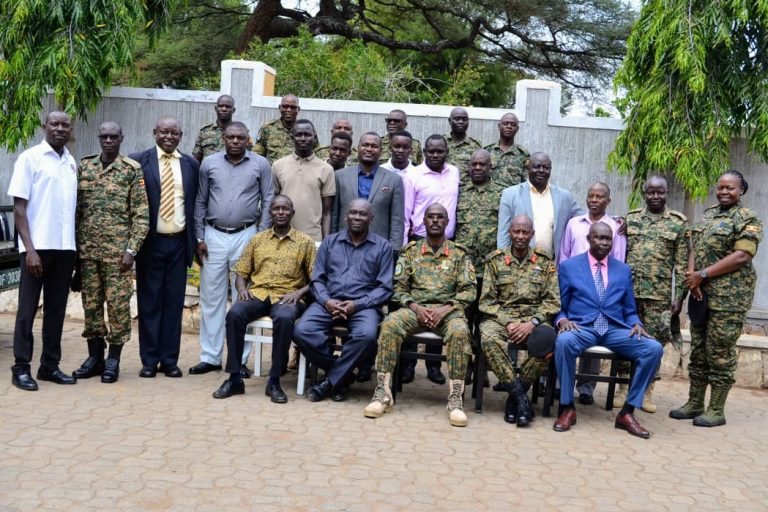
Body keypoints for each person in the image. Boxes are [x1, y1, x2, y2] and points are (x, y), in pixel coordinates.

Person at [364, 204, 475, 427]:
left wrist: (444, 309)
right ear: (423, 221)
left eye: (440, 217)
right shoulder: (410, 251)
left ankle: (455, 400)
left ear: (447, 222)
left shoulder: (459, 254)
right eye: (430, 217)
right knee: (390, 324)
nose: (435, 221)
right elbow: (398, 288)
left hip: (447, 312)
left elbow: (469, 290)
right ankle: (383, 393)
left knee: (460, 331)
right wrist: (416, 308)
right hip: (415, 310)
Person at [553, 222, 663, 438]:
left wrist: (637, 323)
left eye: (608, 239)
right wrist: (562, 319)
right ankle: (567, 407)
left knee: (653, 348)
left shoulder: (623, 269)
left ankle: (627, 412)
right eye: (599, 237)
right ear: (588, 239)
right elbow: (559, 305)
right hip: (582, 327)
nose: (604, 242)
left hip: (614, 329)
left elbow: (629, 309)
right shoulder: (569, 267)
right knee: (564, 342)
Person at [670, 170, 763, 427]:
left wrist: (702, 274)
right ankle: (695, 403)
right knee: (699, 350)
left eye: (730, 188)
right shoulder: (708, 215)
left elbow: (742, 255)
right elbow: (694, 247)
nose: (724, 191)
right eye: (721, 187)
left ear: (741, 190)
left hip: (729, 299)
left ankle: (716, 409)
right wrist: (692, 278)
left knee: (720, 352)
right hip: (701, 295)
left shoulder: (747, 218)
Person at [211, 195, 316, 403]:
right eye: (276, 209)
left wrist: (298, 293)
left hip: (288, 296)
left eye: (285, 209)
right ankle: (234, 379)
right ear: (270, 213)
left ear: (292, 213)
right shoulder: (257, 240)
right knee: (234, 314)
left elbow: (316, 280)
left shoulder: (305, 242)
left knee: (284, 318)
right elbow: (241, 272)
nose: (281, 212)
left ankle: (274, 382)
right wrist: (241, 289)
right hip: (258, 293)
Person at [192, 121, 274, 376]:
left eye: (240, 137)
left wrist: (260, 237)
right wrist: (199, 236)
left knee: (244, 299)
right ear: (224, 139)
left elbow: (268, 199)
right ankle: (210, 357)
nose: (235, 141)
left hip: (247, 236)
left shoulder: (261, 164)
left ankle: (240, 360)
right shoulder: (209, 163)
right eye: (231, 137)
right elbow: (200, 200)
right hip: (213, 236)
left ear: (248, 139)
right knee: (211, 298)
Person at [293, 199, 393, 402]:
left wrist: (357, 304)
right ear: (346, 216)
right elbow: (316, 280)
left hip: (363, 306)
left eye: (363, 214)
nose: (357, 217)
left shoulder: (383, 247)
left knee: (366, 336)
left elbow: (385, 288)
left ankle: (330, 382)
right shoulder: (330, 242)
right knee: (302, 331)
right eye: (353, 212)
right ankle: (342, 375)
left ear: (371, 218)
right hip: (329, 302)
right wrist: (326, 301)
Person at [72, 121, 150, 384]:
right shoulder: (85, 167)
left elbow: (141, 216)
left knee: (118, 308)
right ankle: (95, 357)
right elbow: (76, 211)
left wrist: (131, 250)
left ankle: (113, 359)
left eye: (113, 137)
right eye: (104, 136)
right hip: (88, 254)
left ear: (121, 138)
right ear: (98, 137)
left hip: (118, 257)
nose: (108, 141)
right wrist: (75, 253)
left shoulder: (131, 170)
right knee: (91, 306)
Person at [7, 111, 78, 391]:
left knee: (56, 312)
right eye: (54, 124)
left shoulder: (70, 162)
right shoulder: (30, 158)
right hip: (36, 250)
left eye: (65, 125)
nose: (60, 128)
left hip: (64, 249)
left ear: (70, 129)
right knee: (26, 311)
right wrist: (30, 250)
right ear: (44, 126)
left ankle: (49, 366)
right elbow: (19, 209)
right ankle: (21, 368)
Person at [129, 117, 200, 378]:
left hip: (179, 243)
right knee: (149, 302)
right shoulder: (138, 161)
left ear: (181, 135)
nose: (169, 136)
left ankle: (169, 360)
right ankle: (149, 360)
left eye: (174, 133)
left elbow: (194, 203)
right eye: (164, 132)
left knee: (173, 303)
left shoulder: (191, 164)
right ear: (154, 133)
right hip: (150, 243)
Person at [479, 215, 559, 426]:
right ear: (510, 232)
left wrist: (532, 323)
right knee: (488, 338)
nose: (521, 236)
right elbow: (486, 301)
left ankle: (514, 398)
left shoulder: (544, 261)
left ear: (532, 234)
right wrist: (508, 322)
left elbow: (552, 302)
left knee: (548, 340)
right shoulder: (495, 261)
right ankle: (521, 398)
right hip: (502, 319)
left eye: (525, 232)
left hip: (533, 320)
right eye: (517, 231)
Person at [618, 176, 688, 411]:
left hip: (659, 298)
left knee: (654, 344)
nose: (655, 196)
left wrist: (680, 297)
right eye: (651, 192)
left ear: (667, 193)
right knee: (625, 340)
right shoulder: (631, 219)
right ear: (644, 193)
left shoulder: (678, 223)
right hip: (629, 295)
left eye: (660, 192)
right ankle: (622, 389)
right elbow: (619, 254)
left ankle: (647, 392)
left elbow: (682, 265)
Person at [559, 181, 627, 404]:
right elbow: (564, 255)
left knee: (598, 323)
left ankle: (586, 387)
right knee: (567, 332)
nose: (594, 200)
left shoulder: (616, 227)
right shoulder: (574, 224)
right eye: (591, 196)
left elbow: (618, 260)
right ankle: (561, 384)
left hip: (601, 286)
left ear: (608, 200)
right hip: (573, 285)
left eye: (600, 196)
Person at [401, 134, 460, 384]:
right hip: (419, 241)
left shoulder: (455, 173)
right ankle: (407, 365)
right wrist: (405, 245)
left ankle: (434, 366)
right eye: (431, 151)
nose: (435, 155)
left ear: (447, 152)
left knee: (440, 297)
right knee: (416, 297)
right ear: (424, 152)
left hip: (446, 244)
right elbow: (406, 212)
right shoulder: (412, 175)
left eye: (440, 151)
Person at [497, 152, 583, 261]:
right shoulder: (510, 194)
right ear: (528, 168)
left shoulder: (565, 197)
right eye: (536, 166)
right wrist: (504, 263)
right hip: (520, 265)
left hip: (552, 265)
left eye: (546, 167)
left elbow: (584, 221)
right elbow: (503, 235)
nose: (541, 170)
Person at [331, 132, 404, 253]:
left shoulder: (393, 180)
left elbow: (397, 219)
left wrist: (394, 250)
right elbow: (334, 214)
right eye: (365, 145)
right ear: (358, 148)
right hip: (344, 244)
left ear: (381, 151)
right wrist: (332, 242)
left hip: (378, 247)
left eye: (374, 146)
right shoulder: (340, 176)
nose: (369, 149)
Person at [272, 119, 336, 242]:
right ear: (292, 138)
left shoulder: (326, 169)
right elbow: (272, 204)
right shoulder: (278, 165)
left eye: (307, 134)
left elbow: (327, 212)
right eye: (298, 135)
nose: (302, 138)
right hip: (283, 236)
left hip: (313, 238)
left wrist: (325, 243)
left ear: (314, 137)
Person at [192, 94, 252, 162]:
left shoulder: (241, 132)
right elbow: (196, 159)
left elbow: (250, 156)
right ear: (216, 108)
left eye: (228, 107)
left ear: (233, 110)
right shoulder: (204, 132)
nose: (224, 109)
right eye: (221, 106)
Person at [484, 113, 530, 189]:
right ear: (499, 126)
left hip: (512, 196)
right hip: (489, 195)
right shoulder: (487, 151)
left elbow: (526, 183)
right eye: (505, 123)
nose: (509, 126)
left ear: (517, 129)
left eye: (513, 125)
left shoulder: (523, 154)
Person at [254, 94, 301, 163]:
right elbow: (257, 155)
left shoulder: (304, 130)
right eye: (285, 106)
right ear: (280, 107)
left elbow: (315, 152)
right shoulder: (268, 128)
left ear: (298, 109)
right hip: (273, 169)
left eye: (293, 107)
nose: (289, 110)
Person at [444, 107, 482, 188]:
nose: (461, 122)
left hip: (468, 190)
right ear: (449, 121)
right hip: (443, 188)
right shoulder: (441, 142)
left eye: (464, 119)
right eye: (457, 119)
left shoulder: (476, 145)